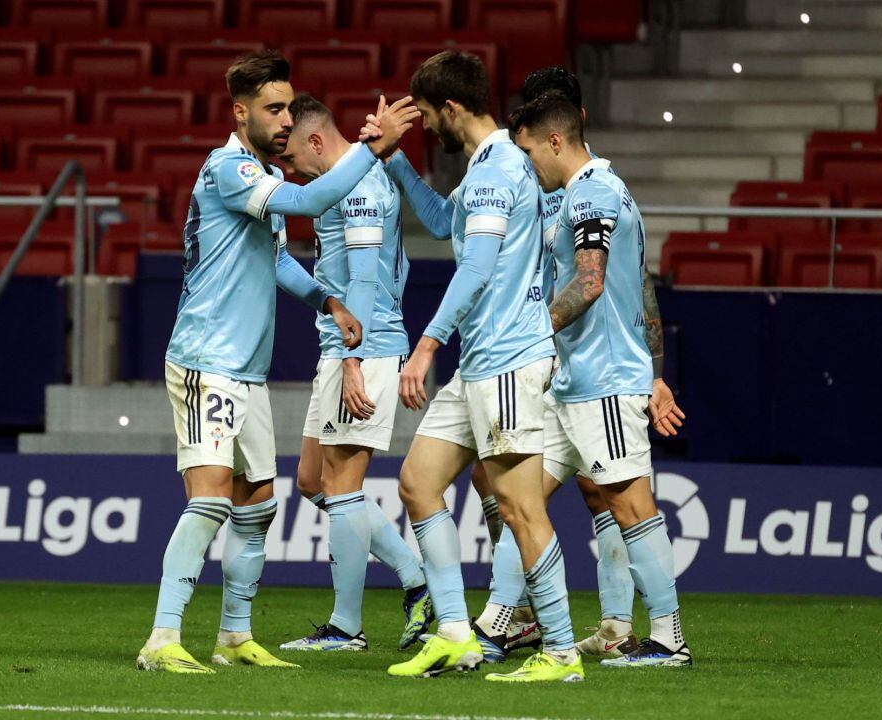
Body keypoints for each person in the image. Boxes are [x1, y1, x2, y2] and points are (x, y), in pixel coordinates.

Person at [135, 50, 420, 674]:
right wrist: (374, 151)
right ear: (241, 112)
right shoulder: (229, 169)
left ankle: (234, 636)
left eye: (290, 106)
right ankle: (162, 638)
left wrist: (328, 299)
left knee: (258, 503)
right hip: (206, 358)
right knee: (209, 500)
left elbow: (278, 260)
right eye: (273, 108)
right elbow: (313, 199)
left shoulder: (255, 172)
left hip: (246, 368)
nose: (286, 119)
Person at [378, 51, 583, 683]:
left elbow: (476, 266)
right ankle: (453, 633)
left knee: (520, 509)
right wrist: (395, 161)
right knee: (417, 483)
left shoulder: (496, 170)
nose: (428, 128)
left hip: (507, 364)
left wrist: (427, 343)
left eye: (430, 115)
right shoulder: (486, 166)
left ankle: (562, 651)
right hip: (482, 366)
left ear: (453, 108)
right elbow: (444, 222)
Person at [476, 65, 686, 662]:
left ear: (554, 141)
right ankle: (497, 623)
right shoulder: (584, 193)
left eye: (529, 152)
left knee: (629, 504)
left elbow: (590, 283)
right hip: (570, 381)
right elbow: (639, 288)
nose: (528, 166)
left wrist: (529, 333)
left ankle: (668, 639)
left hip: (603, 381)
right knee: (520, 499)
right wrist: (658, 369)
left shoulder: (594, 191)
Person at [276, 94, 433, 652]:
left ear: (317, 141)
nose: (293, 173)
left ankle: (346, 628)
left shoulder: (360, 187)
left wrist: (352, 362)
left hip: (366, 348)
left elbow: (365, 279)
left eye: (295, 158)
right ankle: (418, 579)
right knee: (312, 481)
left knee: (342, 487)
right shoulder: (339, 187)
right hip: (340, 347)